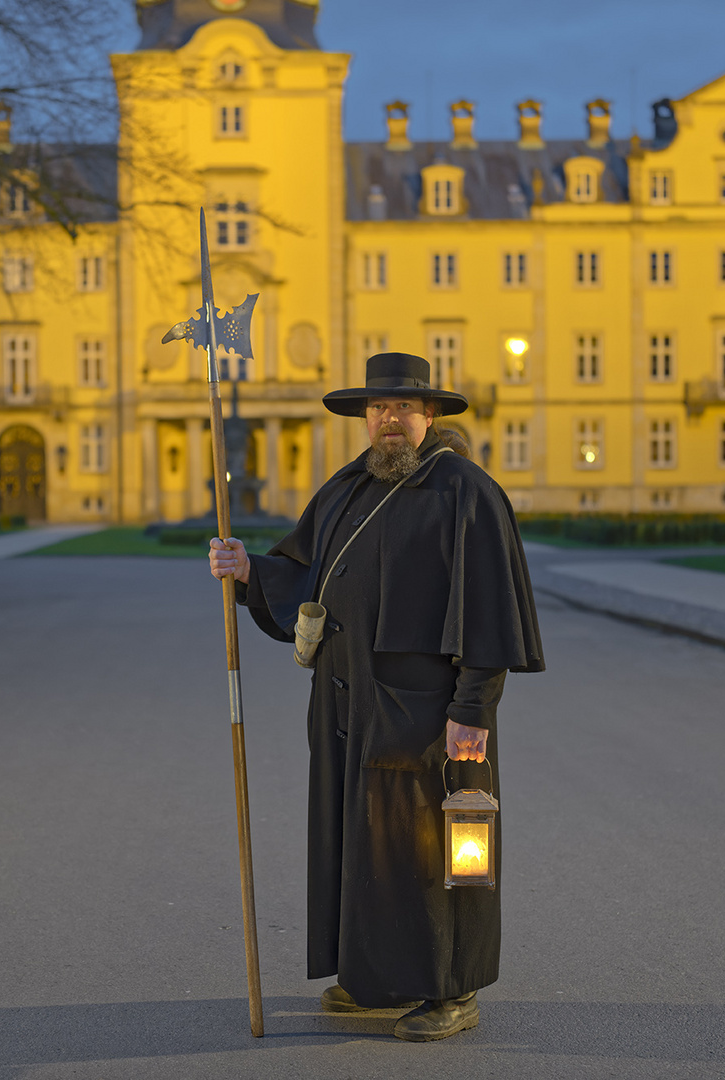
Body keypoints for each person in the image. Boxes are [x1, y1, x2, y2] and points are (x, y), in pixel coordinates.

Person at [208, 352, 544, 1042]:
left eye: (403, 409)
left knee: (435, 857)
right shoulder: (346, 489)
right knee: (364, 849)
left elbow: (489, 608)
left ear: (430, 416)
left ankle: (452, 992)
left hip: (428, 713)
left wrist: (472, 710)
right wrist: (248, 571)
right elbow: (302, 572)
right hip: (346, 706)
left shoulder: (465, 491)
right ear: (367, 418)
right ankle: (377, 978)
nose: (389, 421)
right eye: (379, 410)